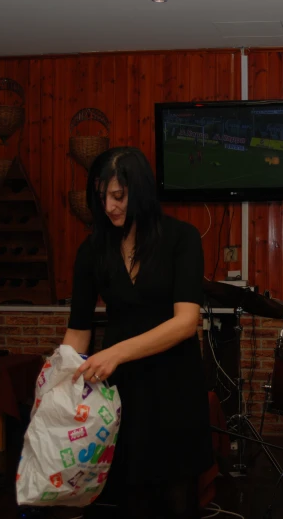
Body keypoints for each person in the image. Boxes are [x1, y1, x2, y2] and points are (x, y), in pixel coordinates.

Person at [63, 147, 212, 518]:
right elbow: (77, 333)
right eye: (103, 197)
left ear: (141, 190)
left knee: (178, 495)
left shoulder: (182, 238)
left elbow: (185, 322)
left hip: (173, 383)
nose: (110, 207)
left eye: (119, 196)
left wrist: (116, 353)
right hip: (120, 390)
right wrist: (56, 385)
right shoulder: (92, 250)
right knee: (129, 493)